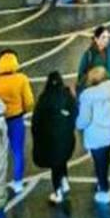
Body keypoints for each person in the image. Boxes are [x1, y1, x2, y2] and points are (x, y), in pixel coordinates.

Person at [0, 51, 35, 193]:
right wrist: (24, 110)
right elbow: (29, 101)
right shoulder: (21, 79)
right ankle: (18, 182)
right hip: (16, 120)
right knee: (18, 151)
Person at [77, 66, 110, 206]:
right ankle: (103, 186)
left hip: (96, 136)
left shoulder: (87, 96)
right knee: (106, 157)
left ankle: (104, 190)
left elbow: (84, 120)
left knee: (99, 165)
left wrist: (77, 124)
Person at [32, 71, 78, 204]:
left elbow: (36, 122)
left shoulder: (44, 99)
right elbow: (75, 112)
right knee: (62, 162)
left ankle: (58, 191)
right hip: (66, 139)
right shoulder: (67, 95)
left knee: (55, 166)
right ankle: (64, 182)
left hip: (50, 141)